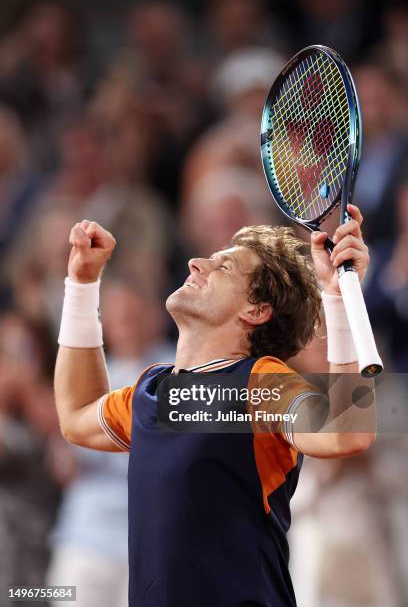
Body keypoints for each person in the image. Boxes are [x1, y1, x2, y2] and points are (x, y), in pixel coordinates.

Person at [54, 206, 375, 606]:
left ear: (255, 311)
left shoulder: (260, 381)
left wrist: (340, 301)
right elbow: (77, 414)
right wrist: (82, 285)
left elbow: (346, 431)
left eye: (224, 267)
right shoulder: (152, 390)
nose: (196, 262)